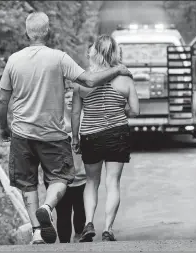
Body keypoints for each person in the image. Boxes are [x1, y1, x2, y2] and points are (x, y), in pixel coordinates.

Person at [0, 12, 133, 245]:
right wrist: (117, 70)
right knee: (61, 177)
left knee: (28, 183)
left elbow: (2, 100)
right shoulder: (59, 58)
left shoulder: (13, 60)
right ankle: (48, 206)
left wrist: (4, 128)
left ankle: (38, 232)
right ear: (48, 31)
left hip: (21, 133)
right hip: (52, 133)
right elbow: (89, 81)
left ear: (26, 33)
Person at [71, 35, 139, 242]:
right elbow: (135, 110)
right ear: (115, 53)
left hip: (90, 135)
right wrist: (121, 110)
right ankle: (108, 228)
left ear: (93, 52)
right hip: (116, 133)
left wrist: (75, 137)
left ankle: (89, 223)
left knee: (91, 181)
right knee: (112, 182)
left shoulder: (82, 80)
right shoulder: (125, 78)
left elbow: (75, 113)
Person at [44, 88, 87, 243]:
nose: (70, 100)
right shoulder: (54, 121)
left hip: (82, 177)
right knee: (63, 214)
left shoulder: (85, 119)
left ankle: (79, 238)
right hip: (60, 178)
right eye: (67, 97)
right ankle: (64, 246)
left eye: (73, 97)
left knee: (81, 213)